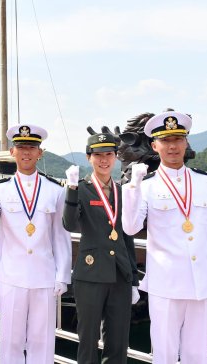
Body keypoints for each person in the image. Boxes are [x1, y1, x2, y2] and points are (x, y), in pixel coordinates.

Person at [122, 111, 207, 364]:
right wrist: (133, 189)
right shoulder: (146, 185)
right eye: (166, 141)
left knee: (199, 355)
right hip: (166, 285)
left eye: (178, 139)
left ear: (186, 142)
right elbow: (130, 227)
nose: (172, 146)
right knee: (165, 353)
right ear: (154, 145)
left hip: (202, 284)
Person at [0, 124, 71, 363]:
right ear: (12, 152)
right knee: (11, 341)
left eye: (31, 147)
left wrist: (62, 275)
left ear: (40, 152)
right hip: (12, 276)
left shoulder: (54, 190)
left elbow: (60, 236)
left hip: (44, 276)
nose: (26, 152)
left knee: (43, 341)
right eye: (21, 147)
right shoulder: (0, 190)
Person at [62, 130, 139, 364]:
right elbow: (70, 224)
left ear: (115, 156)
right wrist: (72, 190)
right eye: (97, 155)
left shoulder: (123, 191)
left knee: (118, 342)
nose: (103, 160)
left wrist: (134, 279)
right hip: (91, 275)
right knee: (88, 340)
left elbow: (127, 238)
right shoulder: (81, 189)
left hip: (120, 275)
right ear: (88, 158)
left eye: (108, 154)